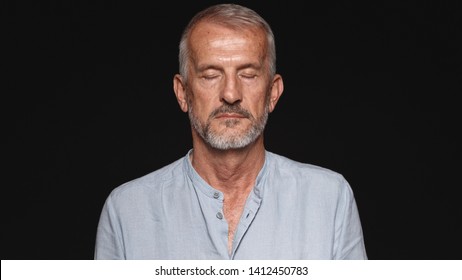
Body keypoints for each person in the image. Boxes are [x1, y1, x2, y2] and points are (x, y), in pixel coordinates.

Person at [94, 3, 367, 260]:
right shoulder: (126, 211)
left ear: (273, 92)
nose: (231, 94)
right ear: (183, 93)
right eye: (211, 75)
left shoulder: (330, 200)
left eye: (248, 74)